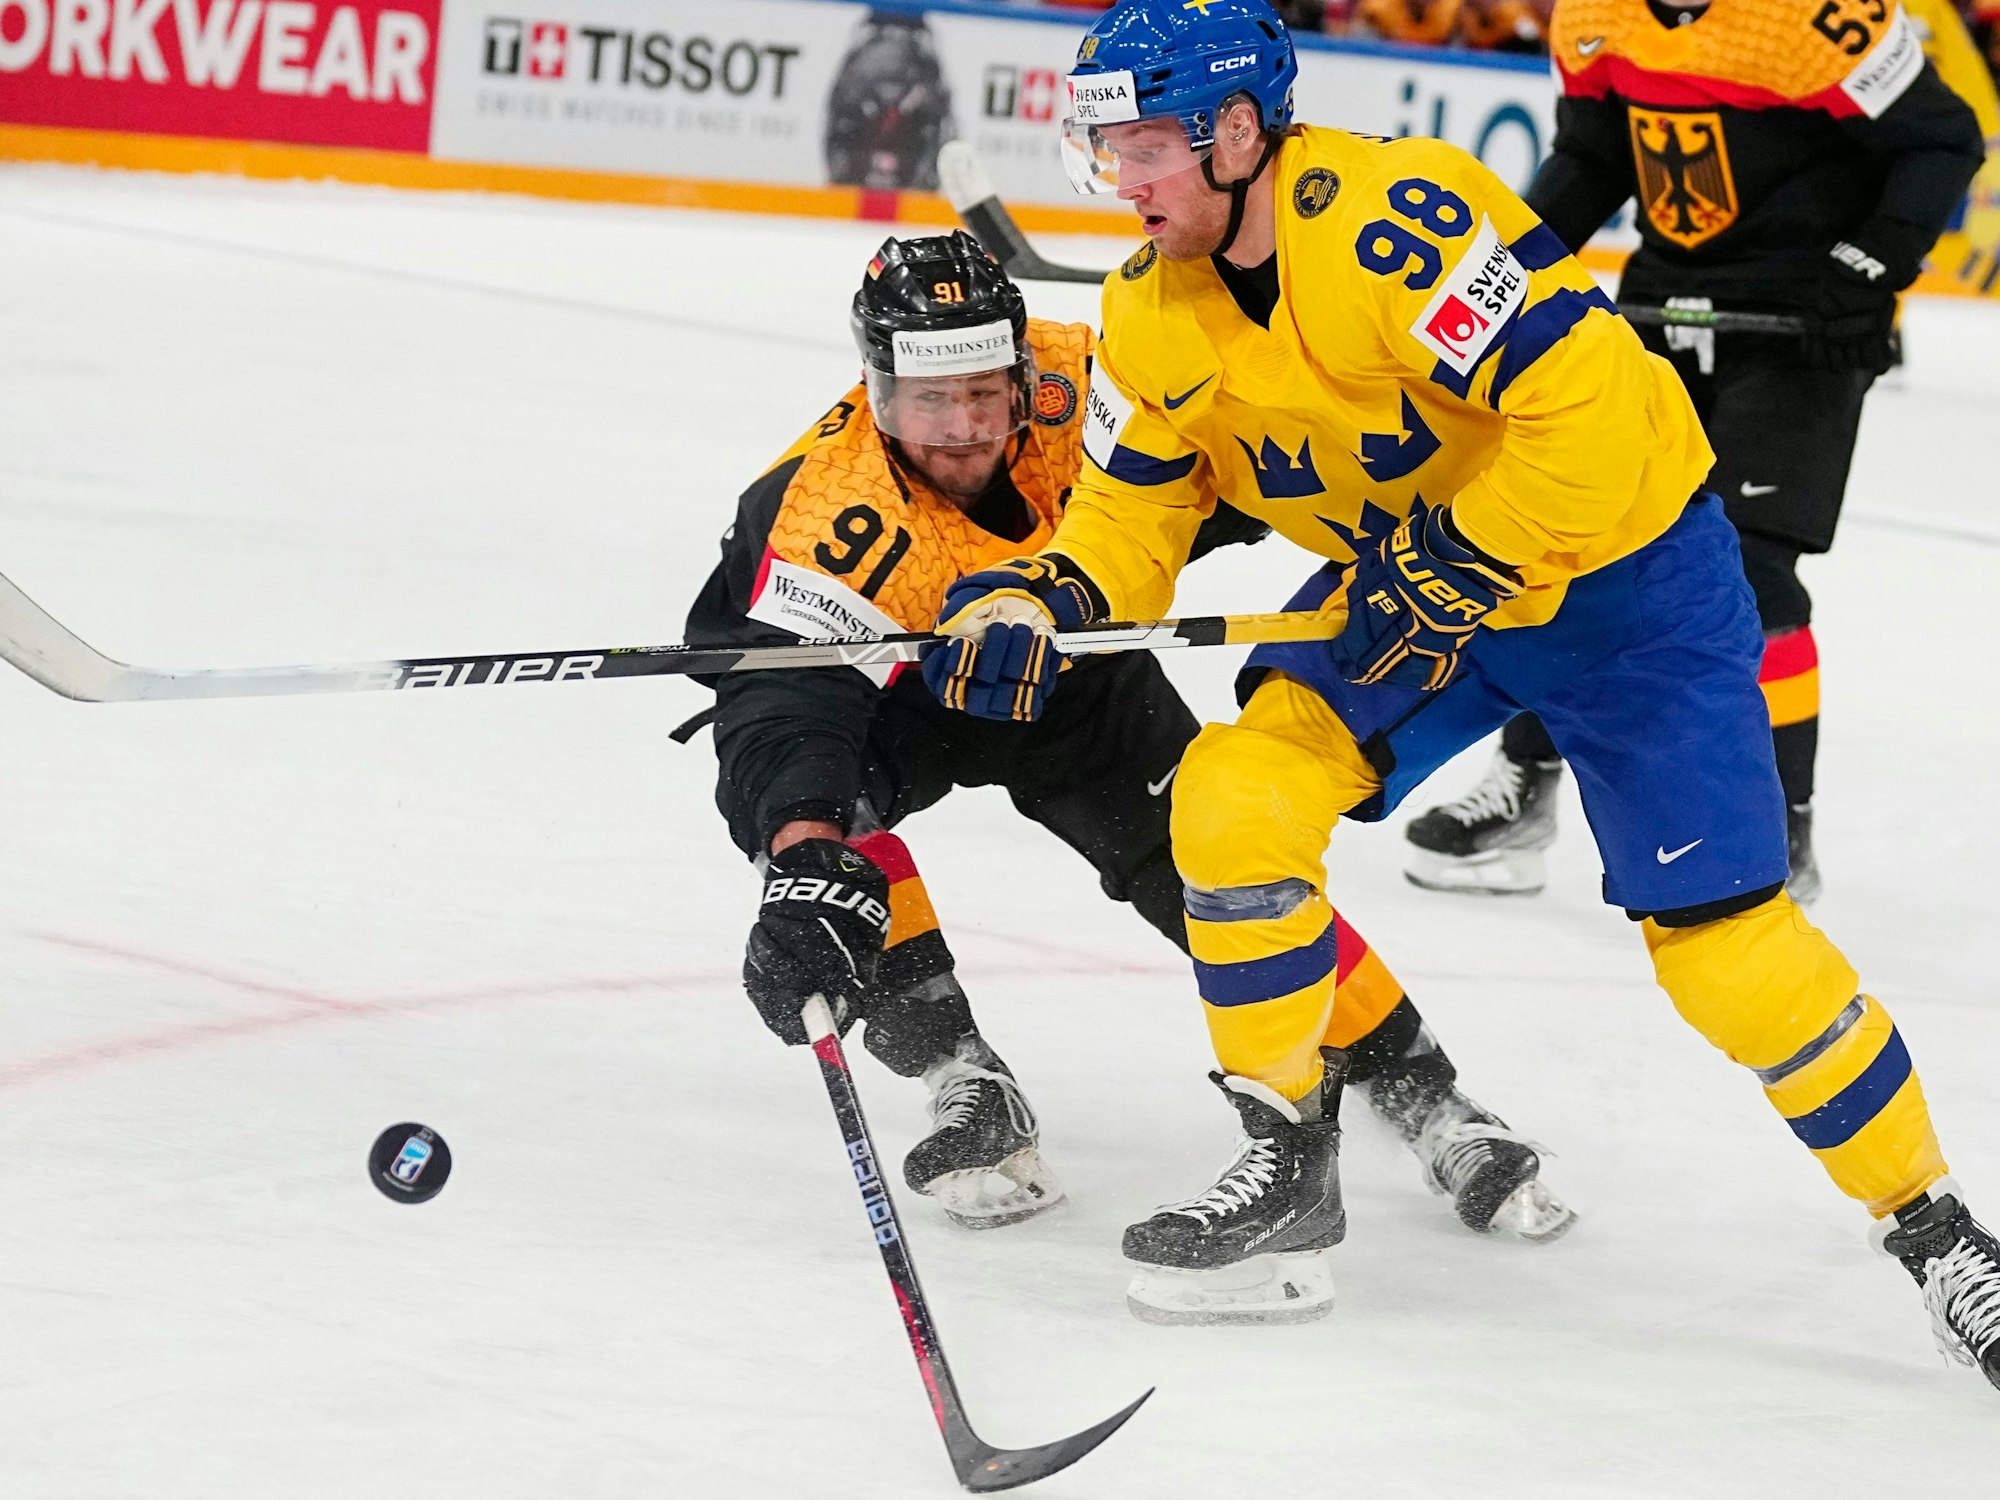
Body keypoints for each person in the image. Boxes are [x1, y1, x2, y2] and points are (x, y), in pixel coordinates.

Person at [926, 0, 2000, 1381]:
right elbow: (1131, 519)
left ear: (1240, 132)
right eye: (1105, 147)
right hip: (1420, 592)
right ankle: (1286, 1161)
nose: (1118, 180)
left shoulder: (1400, 226)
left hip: (1626, 592)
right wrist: (1046, 598)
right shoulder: (1148, 310)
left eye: (1141, 145)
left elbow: (1596, 420)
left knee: (1729, 956)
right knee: (1236, 795)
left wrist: (1465, 554)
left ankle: (1936, 1229)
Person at [681, 230, 1573, 1257]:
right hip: (903, 699)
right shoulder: (820, 505)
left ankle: (1428, 1098)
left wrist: (1410, 526)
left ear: (1021, 369)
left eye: (984, 391)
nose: (965, 428)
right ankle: (957, 1072)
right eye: (930, 399)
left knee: (1217, 868)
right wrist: (802, 853)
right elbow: (784, 703)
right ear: (876, 386)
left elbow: (1252, 463)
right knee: (826, 831)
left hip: (1079, 681)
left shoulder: (1097, 384)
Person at [1399, 0, 1985, 900]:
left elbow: (1943, 138)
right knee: (1578, 538)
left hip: (1802, 321)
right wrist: (1496, 269)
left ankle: (1779, 824)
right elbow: (1595, 160)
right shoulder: (1593, 16)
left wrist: (1870, 265)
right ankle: (1528, 791)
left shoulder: (1820, 16)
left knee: (1751, 569)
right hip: (1662, 297)